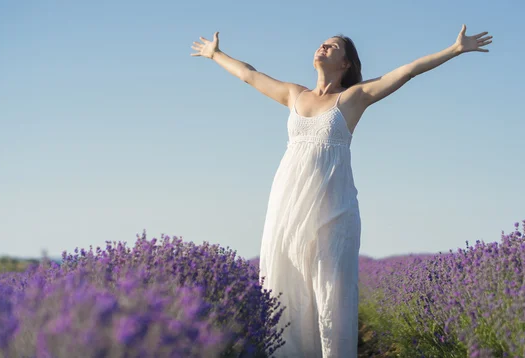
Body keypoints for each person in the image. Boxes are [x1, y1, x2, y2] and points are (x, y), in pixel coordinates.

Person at [190, 25, 492, 357]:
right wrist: (214, 54)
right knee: (285, 283)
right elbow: (249, 74)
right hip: (287, 204)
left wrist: (453, 50)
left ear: (346, 63)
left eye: (332, 46)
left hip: (332, 206)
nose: (322, 47)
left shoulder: (352, 98)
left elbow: (407, 71)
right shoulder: (294, 94)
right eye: (321, 44)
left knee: (330, 289)